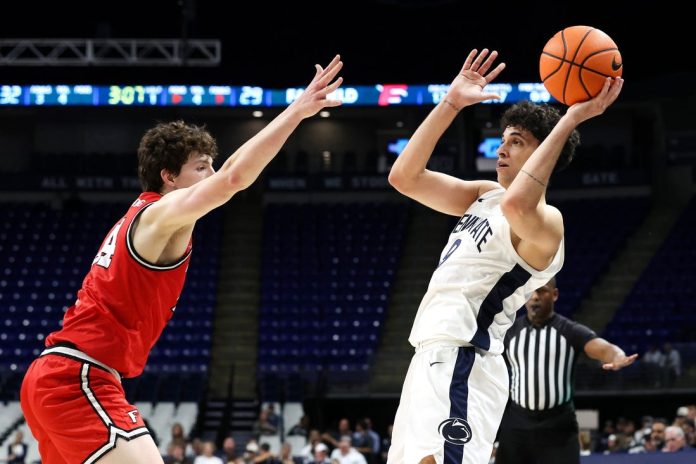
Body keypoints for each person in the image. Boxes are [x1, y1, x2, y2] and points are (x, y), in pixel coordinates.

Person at [19, 55, 344, 464]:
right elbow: (234, 178)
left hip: (60, 374)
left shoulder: (143, 216)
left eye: (210, 166)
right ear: (169, 176)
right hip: (78, 377)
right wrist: (296, 111)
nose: (211, 174)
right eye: (201, 167)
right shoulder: (159, 213)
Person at [386, 48, 623, 464]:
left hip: (466, 356)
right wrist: (451, 103)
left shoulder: (547, 222)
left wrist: (569, 120)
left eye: (517, 142)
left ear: (545, 153)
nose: (502, 149)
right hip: (431, 353)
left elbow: (518, 205)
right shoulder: (484, 194)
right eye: (503, 140)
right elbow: (404, 177)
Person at [495, 277, 638, 463]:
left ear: (554, 295)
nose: (535, 297)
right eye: (530, 291)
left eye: (541, 290)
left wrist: (617, 356)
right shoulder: (509, 332)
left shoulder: (569, 331)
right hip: (517, 424)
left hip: (559, 425)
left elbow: (603, 348)